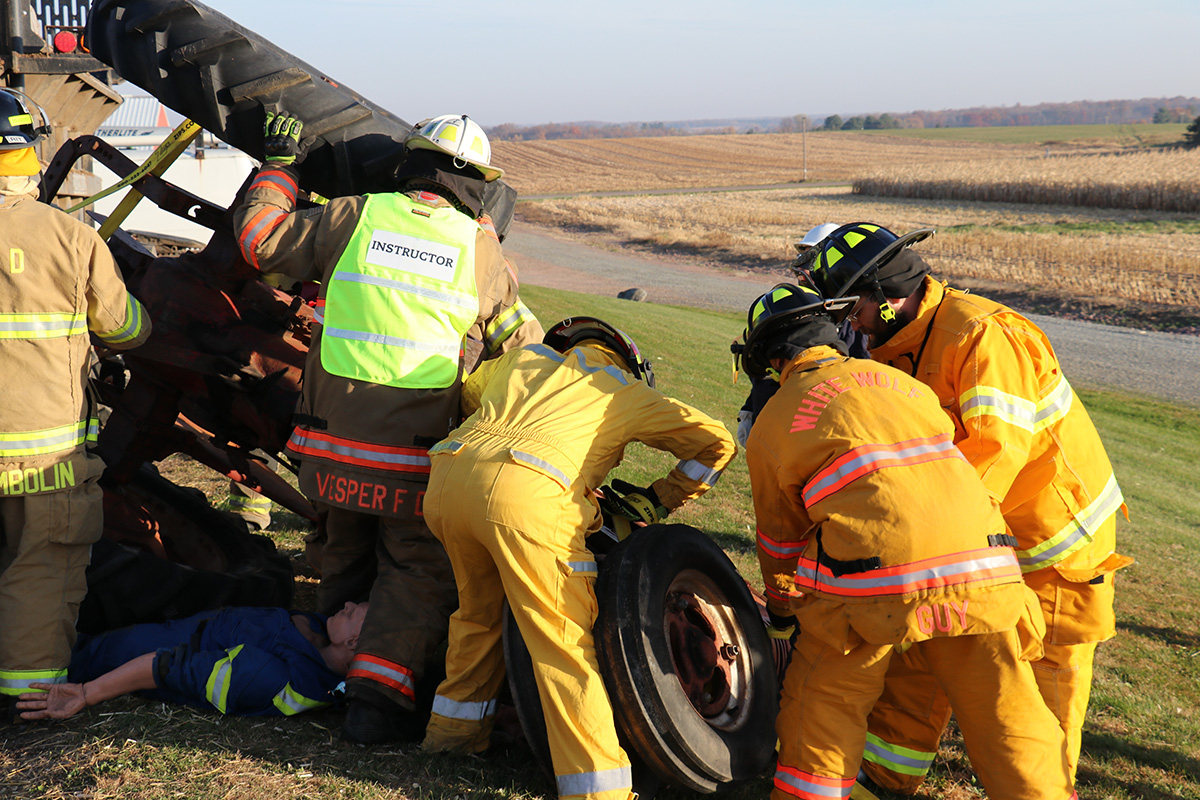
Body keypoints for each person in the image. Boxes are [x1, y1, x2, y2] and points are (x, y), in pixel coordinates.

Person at [232, 111, 543, 743]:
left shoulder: (352, 216)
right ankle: (374, 701)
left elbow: (259, 241)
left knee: (343, 548)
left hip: (327, 450)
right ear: (478, 187)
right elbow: (519, 342)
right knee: (417, 570)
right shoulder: (480, 251)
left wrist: (280, 166)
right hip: (412, 460)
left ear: (410, 164)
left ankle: (328, 663)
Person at [806, 222, 1130, 790]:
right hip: (975, 533)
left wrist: (929, 537)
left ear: (885, 296)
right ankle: (885, 775)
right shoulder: (901, 343)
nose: (849, 323)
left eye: (851, 308)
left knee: (1038, 688)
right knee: (925, 642)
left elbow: (995, 452)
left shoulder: (981, 335)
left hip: (1053, 547)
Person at [737, 283, 1076, 800]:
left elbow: (780, 542)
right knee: (1006, 710)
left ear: (771, 360)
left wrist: (783, 613)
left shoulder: (774, 421)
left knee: (822, 702)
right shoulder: (904, 384)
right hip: (984, 569)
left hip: (872, 589)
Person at [421, 317, 737, 800]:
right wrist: (660, 499)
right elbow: (717, 443)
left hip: (448, 482)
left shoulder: (521, 359)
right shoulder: (621, 387)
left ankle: (452, 736)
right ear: (628, 361)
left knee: (477, 616)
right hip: (527, 500)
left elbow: (469, 395)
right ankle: (598, 789)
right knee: (562, 643)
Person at [0, 88, 152, 719]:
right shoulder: (70, 237)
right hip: (46, 453)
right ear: (29, 154)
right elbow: (125, 330)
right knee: (42, 567)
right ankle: (28, 702)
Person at [15, 602, 368, 720]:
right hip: (191, 619)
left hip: (145, 650)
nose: (347, 605)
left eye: (354, 613)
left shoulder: (273, 678)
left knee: (73, 647)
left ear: (352, 644)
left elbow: (166, 667)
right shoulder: (321, 634)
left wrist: (86, 692)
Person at [736, 222, 865, 448]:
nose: (802, 271)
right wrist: (750, 408)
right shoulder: (788, 307)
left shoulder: (849, 321)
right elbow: (768, 371)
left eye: (810, 260)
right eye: (801, 259)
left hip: (811, 433)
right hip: (770, 423)